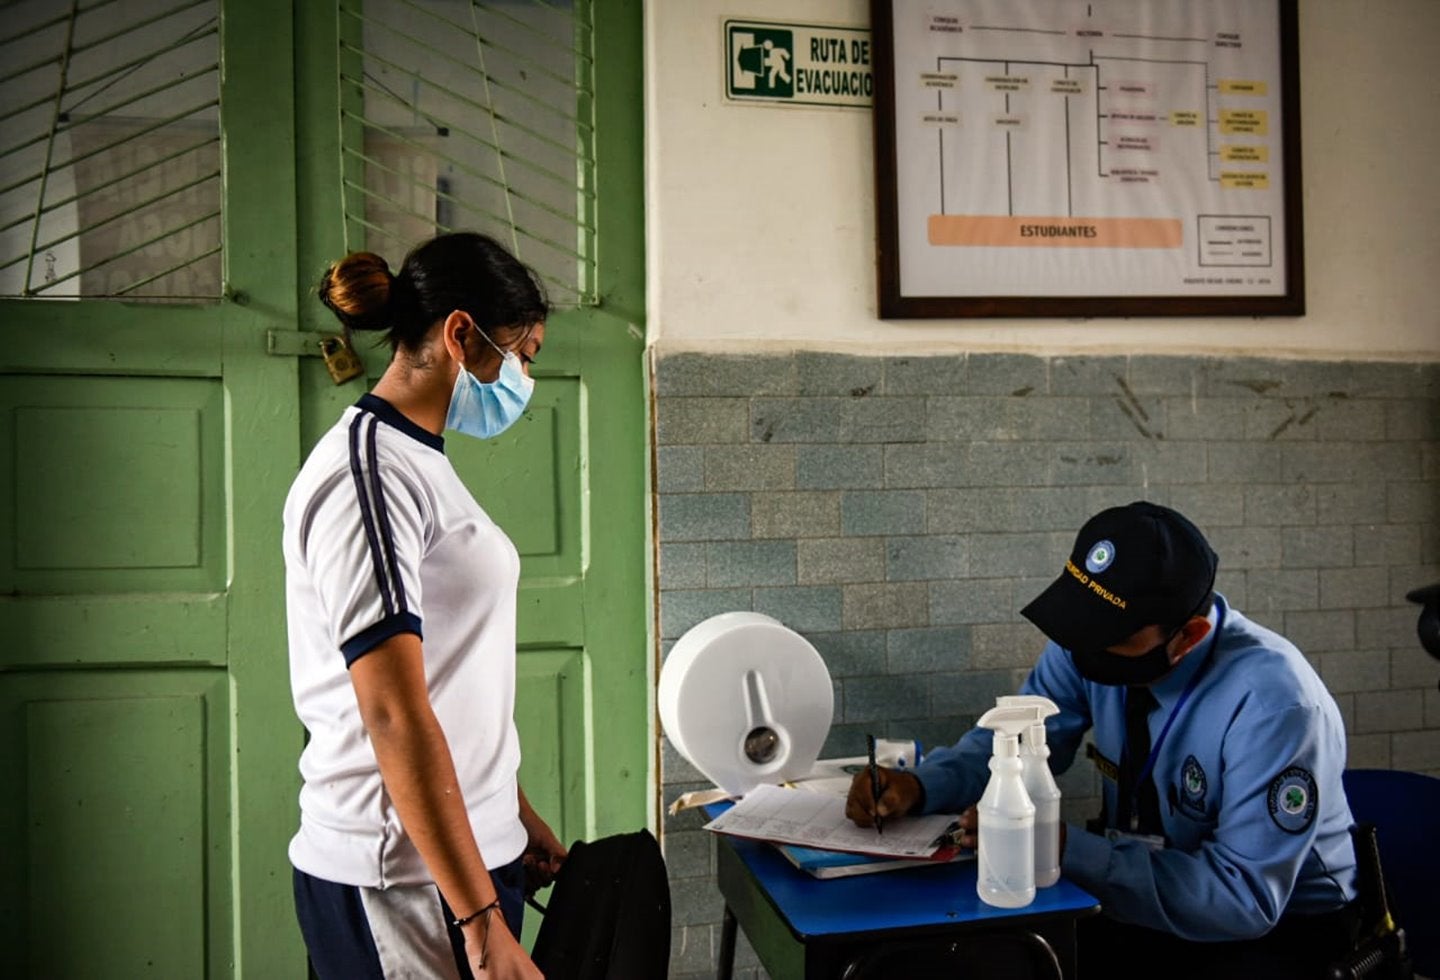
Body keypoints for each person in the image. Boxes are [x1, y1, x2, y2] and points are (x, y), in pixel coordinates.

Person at [846, 501, 1359, 978]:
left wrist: (1059, 846)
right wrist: (919, 786)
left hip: (1280, 933)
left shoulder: (1275, 704)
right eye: (1083, 623)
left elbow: (1242, 900)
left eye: (1115, 635)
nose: (1085, 648)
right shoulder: (1086, 641)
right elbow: (1013, 743)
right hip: (1134, 892)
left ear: (1190, 637)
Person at [284, 232, 566, 979]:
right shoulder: (369, 477)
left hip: (463, 855)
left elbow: (450, 671)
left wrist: (513, 809)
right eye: (524, 354)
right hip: (406, 880)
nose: (526, 378)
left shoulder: (418, 461)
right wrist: (478, 922)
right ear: (460, 334)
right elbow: (391, 712)